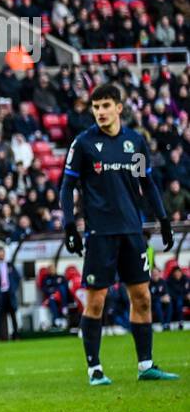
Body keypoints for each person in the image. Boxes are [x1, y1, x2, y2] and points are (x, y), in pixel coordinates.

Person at [61, 81, 177, 385]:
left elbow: (148, 184)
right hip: (100, 234)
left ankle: (146, 365)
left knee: (142, 297)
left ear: (119, 108)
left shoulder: (135, 142)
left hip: (132, 231)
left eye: (105, 106)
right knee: (96, 301)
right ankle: (95, 369)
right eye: (95, 107)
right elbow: (67, 186)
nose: (100, 112)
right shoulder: (83, 143)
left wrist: (163, 219)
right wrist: (69, 224)